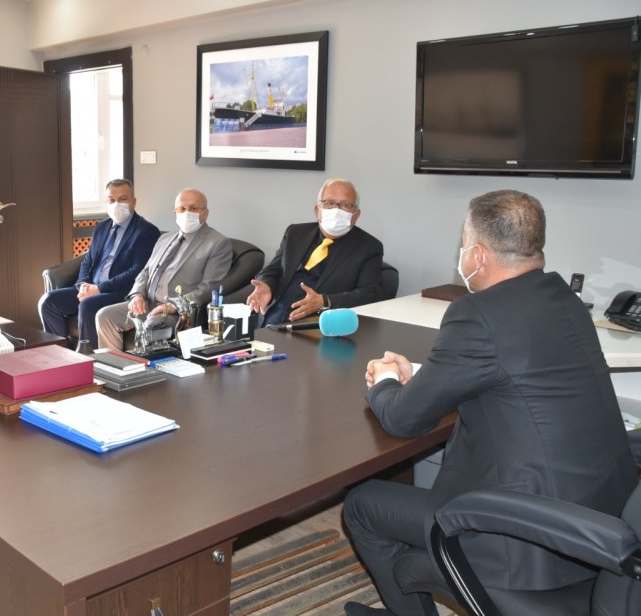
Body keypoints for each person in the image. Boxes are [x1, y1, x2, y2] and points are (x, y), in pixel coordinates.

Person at [342, 190, 636, 616]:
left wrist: (385, 381)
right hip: (600, 528)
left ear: (478, 255)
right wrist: (427, 375)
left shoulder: (478, 314)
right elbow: (516, 373)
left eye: (463, 244)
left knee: (363, 503)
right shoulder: (565, 301)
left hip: (521, 538)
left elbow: (403, 420)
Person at [95, 188, 231, 351]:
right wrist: (137, 295)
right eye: (182, 209)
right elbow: (145, 272)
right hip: (148, 303)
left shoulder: (217, 243)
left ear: (205, 213)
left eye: (193, 208)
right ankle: (115, 364)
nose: (187, 213)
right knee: (104, 316)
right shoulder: (164, 238)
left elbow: (209, 288)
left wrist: (174, 305)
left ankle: (143, 367)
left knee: (154, 325)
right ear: (175, 213)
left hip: (175, 311)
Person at [38, 179, 160, 348]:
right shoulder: (102, 227)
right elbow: (88, 260)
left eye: (123, 199)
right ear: (106, 203)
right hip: (92, 288)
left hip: (119, 291)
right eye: (111, 200)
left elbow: (136, 271)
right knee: (48, 302)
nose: (116, 204)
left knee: (88, 305)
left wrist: (99, 289)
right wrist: (82, 284)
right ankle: (61, 353)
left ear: (133, 202)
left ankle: (88, 356)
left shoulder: (146, 231)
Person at [246, 178, 383, 326]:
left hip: (318, 324)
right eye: (329, 203)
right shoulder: (295, 233)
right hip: (273, 314)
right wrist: (266, 284)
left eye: (346, 205)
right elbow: (273, 269)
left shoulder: (369, 247)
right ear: (318, 210)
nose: (336, 210)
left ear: (356, 214)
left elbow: (370, 294)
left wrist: (325, 301)